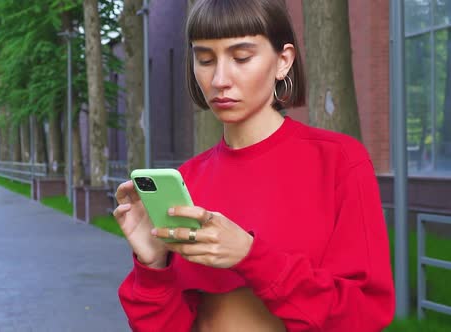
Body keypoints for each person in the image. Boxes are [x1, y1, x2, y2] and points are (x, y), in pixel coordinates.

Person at [112, 0, 395, 331]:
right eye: (204, 59)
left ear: (283, 61)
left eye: (241, 58)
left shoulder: (339, 161)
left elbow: (363, 315)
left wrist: (252, 257)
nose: (219, 79)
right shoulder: (186, 181)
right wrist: (153, 265)